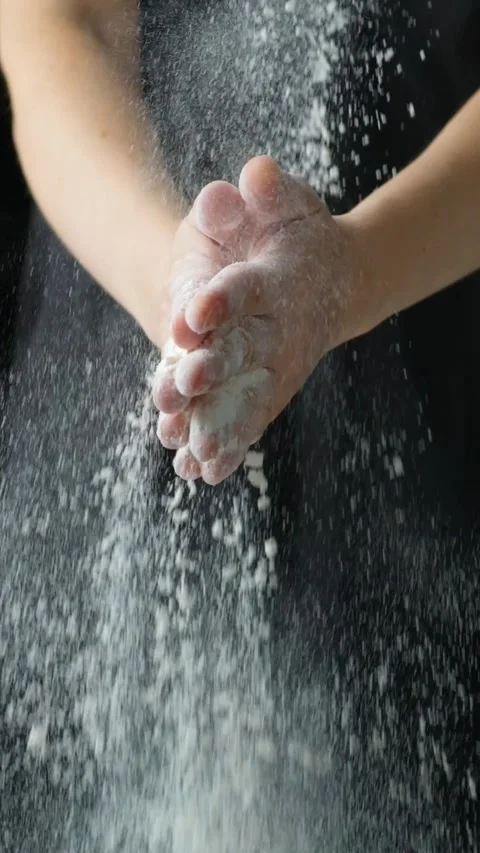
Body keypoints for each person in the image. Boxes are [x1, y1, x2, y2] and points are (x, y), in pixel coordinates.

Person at [0, 1, 480, 850]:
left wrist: (357, 269)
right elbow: (57, 26)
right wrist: (175, 290)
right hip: (133, 325)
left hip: (431, 395)